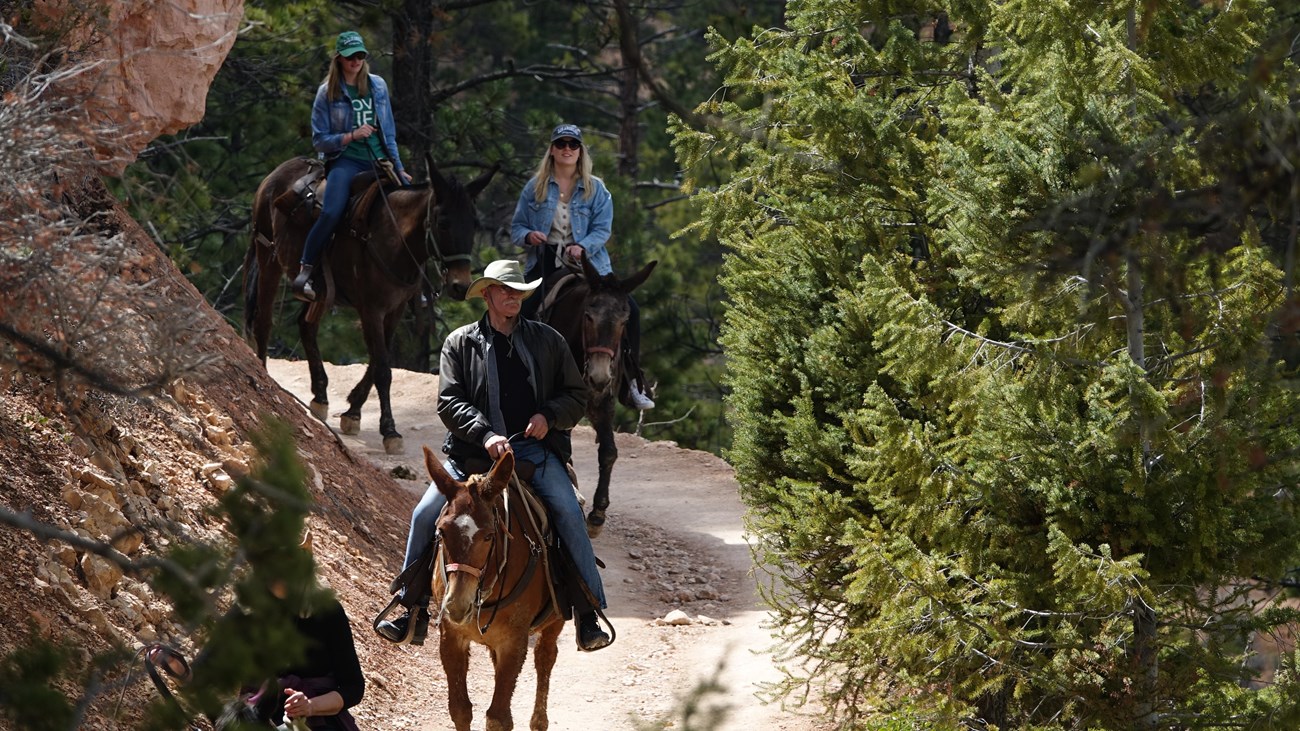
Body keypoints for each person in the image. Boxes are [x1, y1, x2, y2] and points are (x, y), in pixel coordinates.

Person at [374, 259, 613, 652]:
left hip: (532, 451)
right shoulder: (459, 342)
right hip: (470, 456)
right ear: (486, 294)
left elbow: (576, 395)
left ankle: (588, 612)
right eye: (505, 290)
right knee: (423, 515)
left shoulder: (548, 340)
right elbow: (449, 401)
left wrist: (549, 416)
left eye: (518, 291)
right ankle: (409, 607)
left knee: (569, 513)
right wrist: (484, 434)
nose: (513, 297)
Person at [148, 534, 365, 730]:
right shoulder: (245, 610)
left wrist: (310, 706)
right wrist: (178, 669)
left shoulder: (328, 612)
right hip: (253, 718)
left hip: (317, 719)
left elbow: (353, 686)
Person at [510, 123, 655, 410]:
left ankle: (632, 384)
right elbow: (517, 227)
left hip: (591, 266)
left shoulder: (596, 188)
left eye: (572, 145)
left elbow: (603, 229)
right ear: (552, 149)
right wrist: (529, 235)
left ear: (580, 151)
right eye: (561, 144)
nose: (567, 149)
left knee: (632, 311)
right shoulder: (535, 187)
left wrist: (583, 246)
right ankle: (512, 377)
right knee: (520, 310)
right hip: (546, 261)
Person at [291, 30, 412, 302]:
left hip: (380, 160)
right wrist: (350, 136)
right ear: (339, 59)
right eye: (350, 57)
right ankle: (305, 270)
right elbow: (319, 140)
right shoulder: (327, 93)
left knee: (415, 210)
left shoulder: (378, 86)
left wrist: (398, 166)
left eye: (360, 55)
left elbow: (388, 133)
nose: (356, 61)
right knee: (332, 211)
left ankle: (419, 284)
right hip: (346, 160)